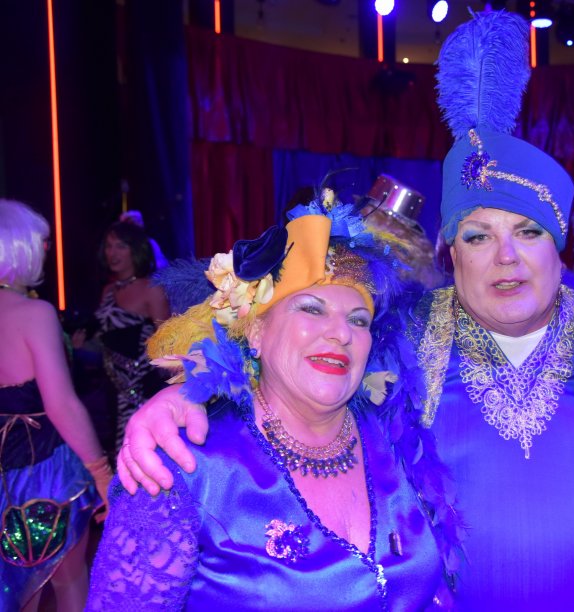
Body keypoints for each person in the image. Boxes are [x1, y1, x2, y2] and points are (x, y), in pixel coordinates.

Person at [113, 12, 574, 609]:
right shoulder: (398, 337)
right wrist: (190, 396)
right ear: (450, 254)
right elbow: (289, 360)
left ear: (558, 248)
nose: (505, 257)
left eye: (528, 232)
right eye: (478, 236)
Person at [87, 193, 444, 609]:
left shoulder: (397, 435)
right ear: (256, 331)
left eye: (357, 320)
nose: (341, 333)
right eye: (312, 309)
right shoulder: (181, 464)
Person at [0, 199, 112, 612]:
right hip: (45, 470)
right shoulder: (34, 313)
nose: (46, 249)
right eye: (41, 241)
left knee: (15, 592)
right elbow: (62, 404)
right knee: (69, 579)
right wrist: (102, 473)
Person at [95, 221, 170, 448]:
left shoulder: (152, 288)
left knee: (142, 449)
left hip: (144, 388)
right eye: (109, 246)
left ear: (136, 250)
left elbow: (168, 343)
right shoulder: (108, 291)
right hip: (113, 388)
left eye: (120, 246)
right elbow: (107, 339)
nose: (112, 253)